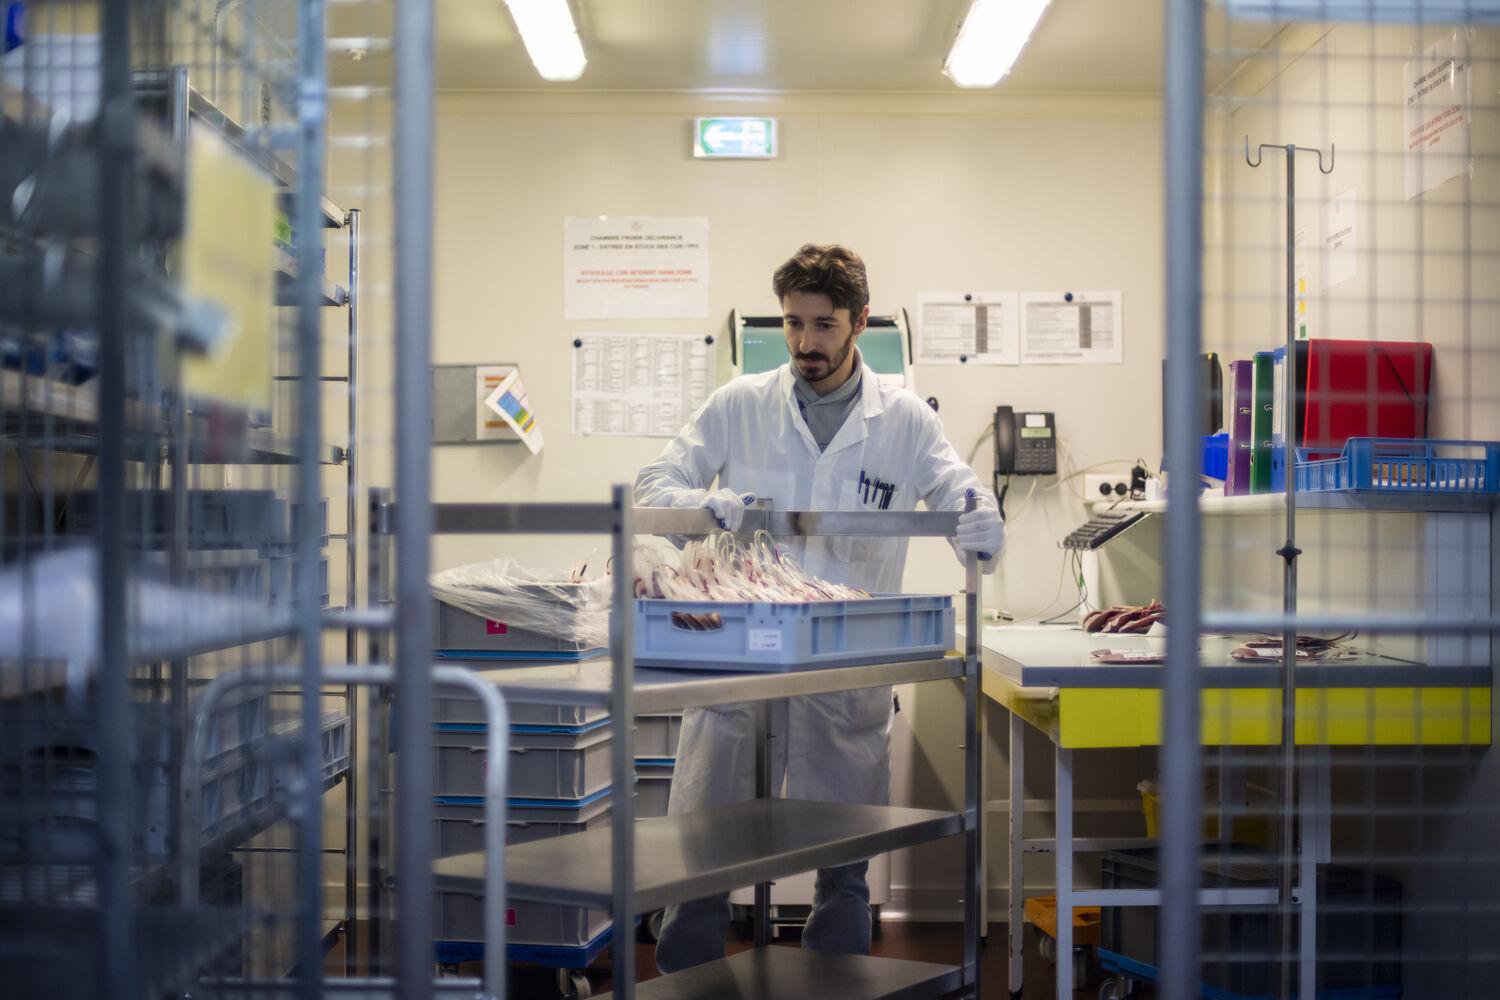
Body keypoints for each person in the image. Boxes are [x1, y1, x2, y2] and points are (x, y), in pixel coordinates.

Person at [634, 243, 1005, 972]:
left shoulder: (903, 419)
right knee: (703, 854)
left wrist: (980, 515)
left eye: (824, 325)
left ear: (860, 322)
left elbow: (958, 492)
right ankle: (687, 980)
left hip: (844, 669)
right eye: (793, 323)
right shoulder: (741, 403)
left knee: (844, 865)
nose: (805, 343)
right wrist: (699, 504)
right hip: (739, 663)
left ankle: (838, 981)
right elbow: (654, 484)